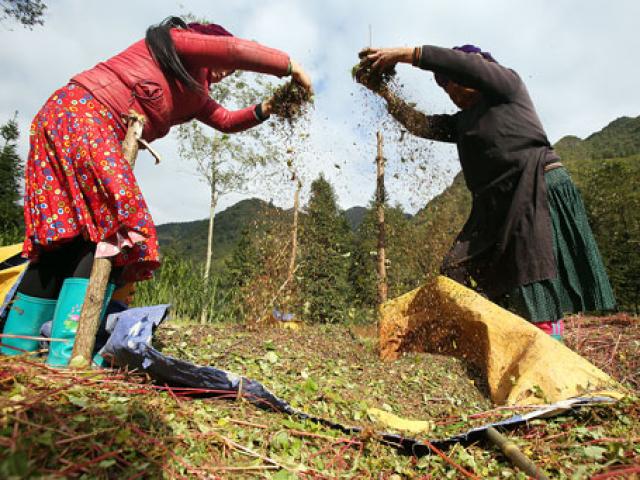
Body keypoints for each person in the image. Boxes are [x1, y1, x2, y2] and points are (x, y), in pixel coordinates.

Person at [0, 16, 312, 364]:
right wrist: (290, 66)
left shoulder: (196, 95)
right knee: (123, 230)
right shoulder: (172, 43)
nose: (227, 73)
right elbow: (236, 50)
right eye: (224, 66)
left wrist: (267, 108)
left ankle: (14, 352)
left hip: (61, 119)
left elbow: (225, 121)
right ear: (205, 44)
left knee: (66, 241)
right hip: (84, 113)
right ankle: (65, 355)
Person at [358, 44, 615, 340]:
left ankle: (546, 347)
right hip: (493, 206)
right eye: (445, 87)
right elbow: (422, 125)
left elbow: (465, 65)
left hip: (533, 183)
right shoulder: (462, 122)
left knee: (530, 269)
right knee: (456, 270)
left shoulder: (506, 87)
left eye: (454, 80)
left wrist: (405, 55)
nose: (450, 90)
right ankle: (471, 340)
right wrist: (384, 93)